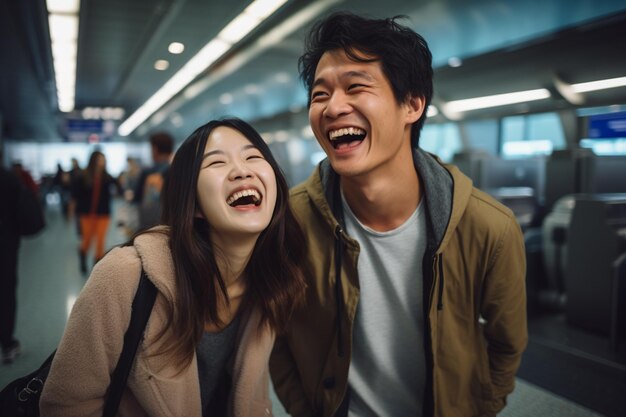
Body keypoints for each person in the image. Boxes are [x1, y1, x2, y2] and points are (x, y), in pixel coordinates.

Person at [269, 12, 527, 417]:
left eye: (355, 87)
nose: (333, 106)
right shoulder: (291, 223)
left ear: (412, 104)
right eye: (320, 95)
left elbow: (506, 344)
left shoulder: (489, 227)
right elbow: (276, 334)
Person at [40, 118, 307, 416]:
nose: (242, 170)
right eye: (216, 163)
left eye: (253, 156)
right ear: (192, 204)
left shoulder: (269, 284)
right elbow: (67, 404)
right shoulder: (124, 276)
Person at [68, 150, 122, 273]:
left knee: (100, 241)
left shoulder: (107, 177)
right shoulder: (83, 177)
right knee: (86, 240)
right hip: (86, 214)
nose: (102, 162)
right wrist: (71, 212)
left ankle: (96, 268)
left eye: (103, 159)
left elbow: (119, 187)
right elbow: (74, 196)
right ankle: (82, 255)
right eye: (100, 159)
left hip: (103, 214)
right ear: (93, 160)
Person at [133, 131, 174, 232]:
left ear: (155, 149)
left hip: (149, 226)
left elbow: (137, 198)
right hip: (171, 226)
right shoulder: (178, 171)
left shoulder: (148, 173)